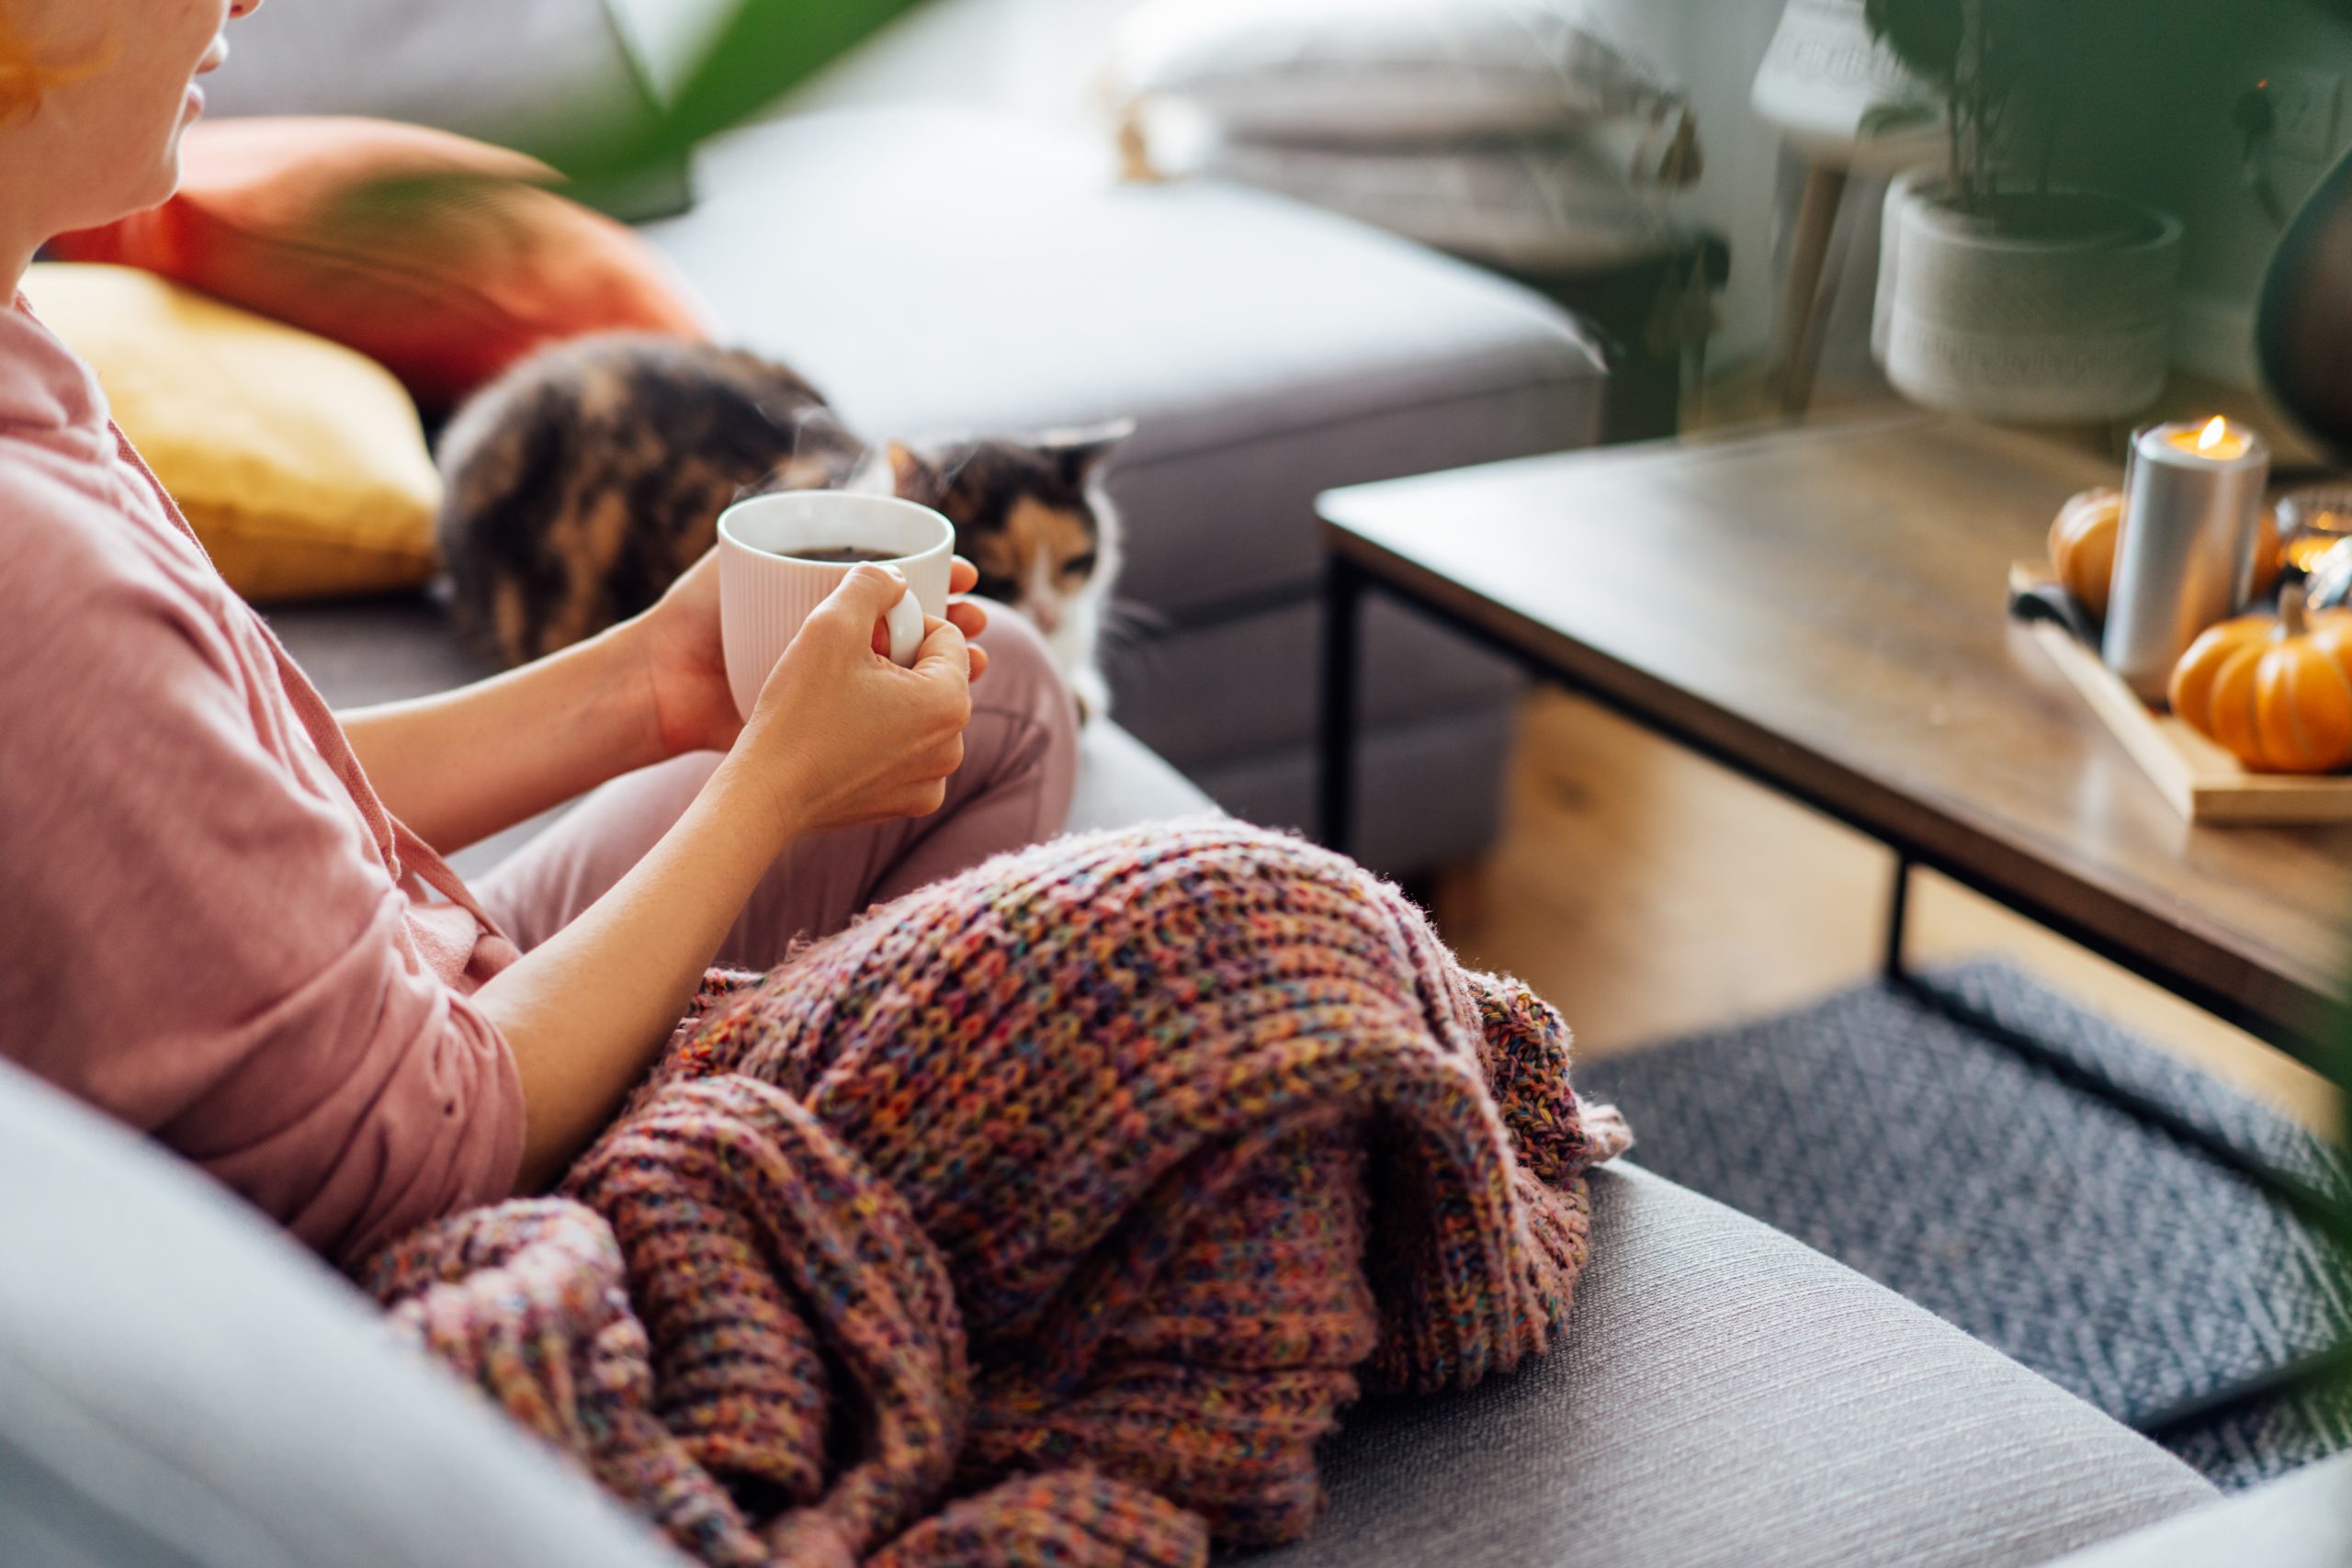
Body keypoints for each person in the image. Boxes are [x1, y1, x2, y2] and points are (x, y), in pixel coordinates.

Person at [0, 0, 1080, 1267]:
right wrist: (774, 789)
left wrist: (647, 687)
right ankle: (861, 1254)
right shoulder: (39, 567)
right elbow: (430, 1142)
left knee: (989, 676)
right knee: (1011, 730)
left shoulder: (27, 371)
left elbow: (189, 799)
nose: (245, 1)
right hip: (434, 1141)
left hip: (388, 981)